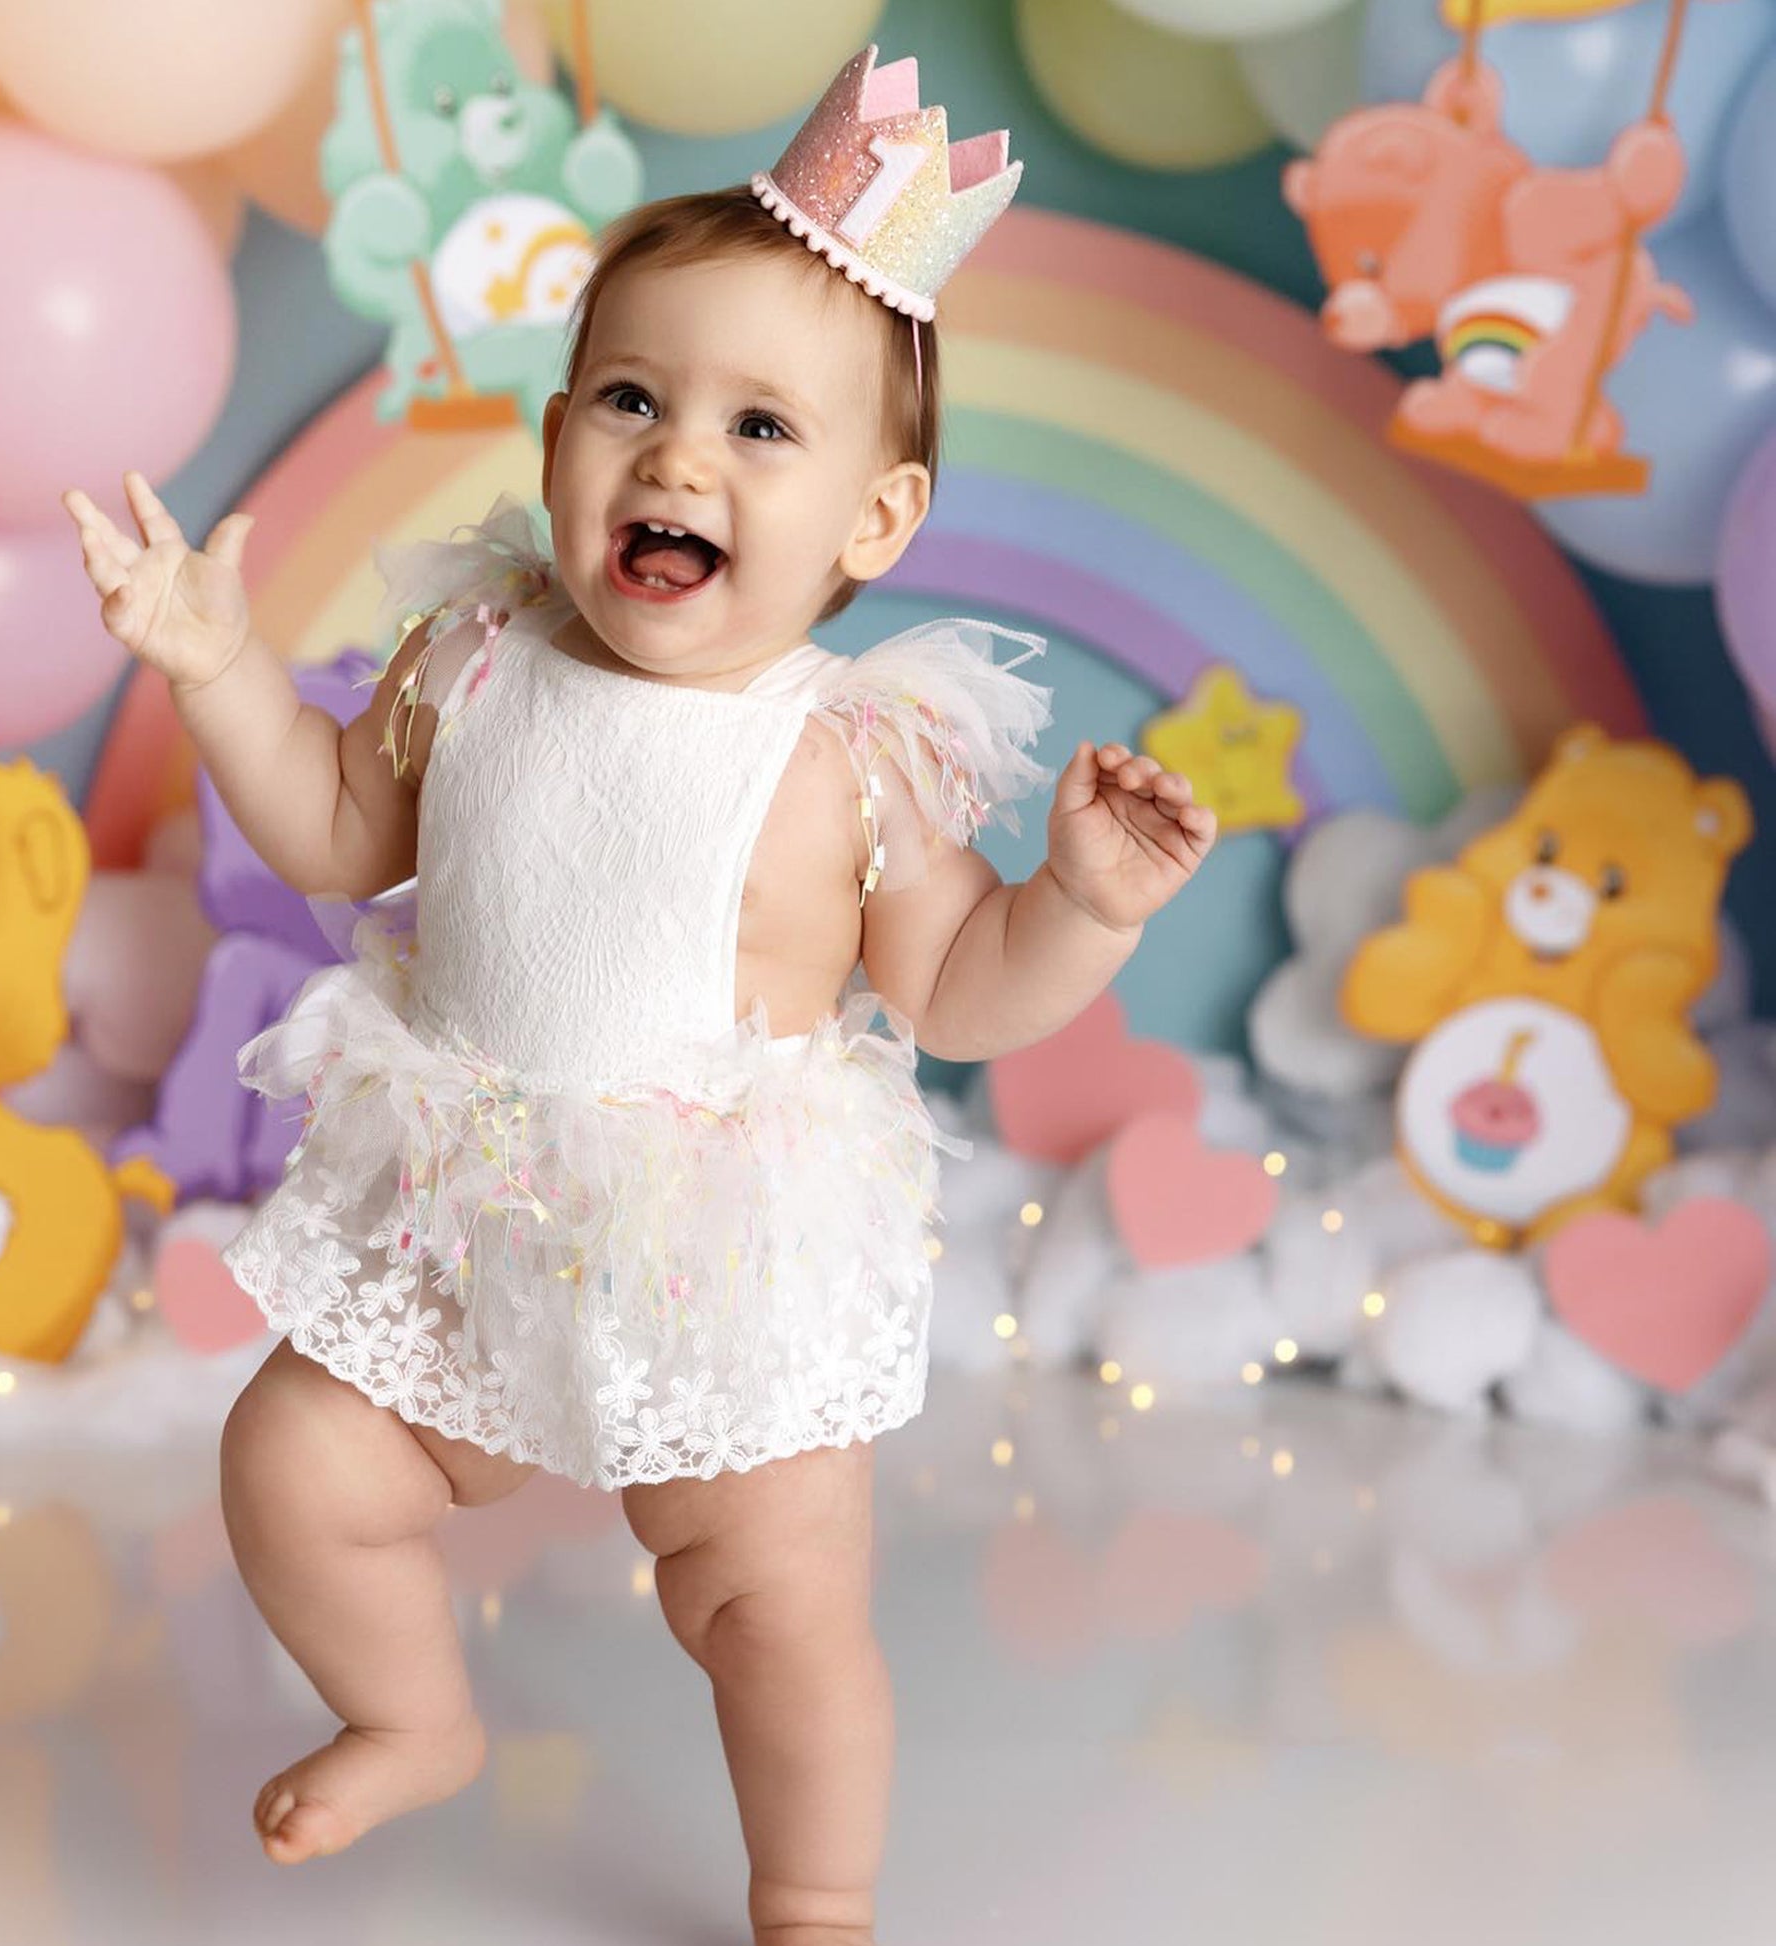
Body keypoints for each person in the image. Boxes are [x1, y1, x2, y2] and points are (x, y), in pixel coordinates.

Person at [64, 46, 1215, 1946]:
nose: (678, 455)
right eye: (630, 396)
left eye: (764, 428)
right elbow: (344, 833)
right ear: (552, 443)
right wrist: (212, 667)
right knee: (290, 1459)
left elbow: (947, 987)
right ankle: (414, 1714)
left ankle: (814, 1894)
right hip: (474, 1207)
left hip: (714, 1251)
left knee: (768, 1606)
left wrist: (1077, 909)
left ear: (876, 520)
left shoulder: (849, 749)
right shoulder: (480, 649)